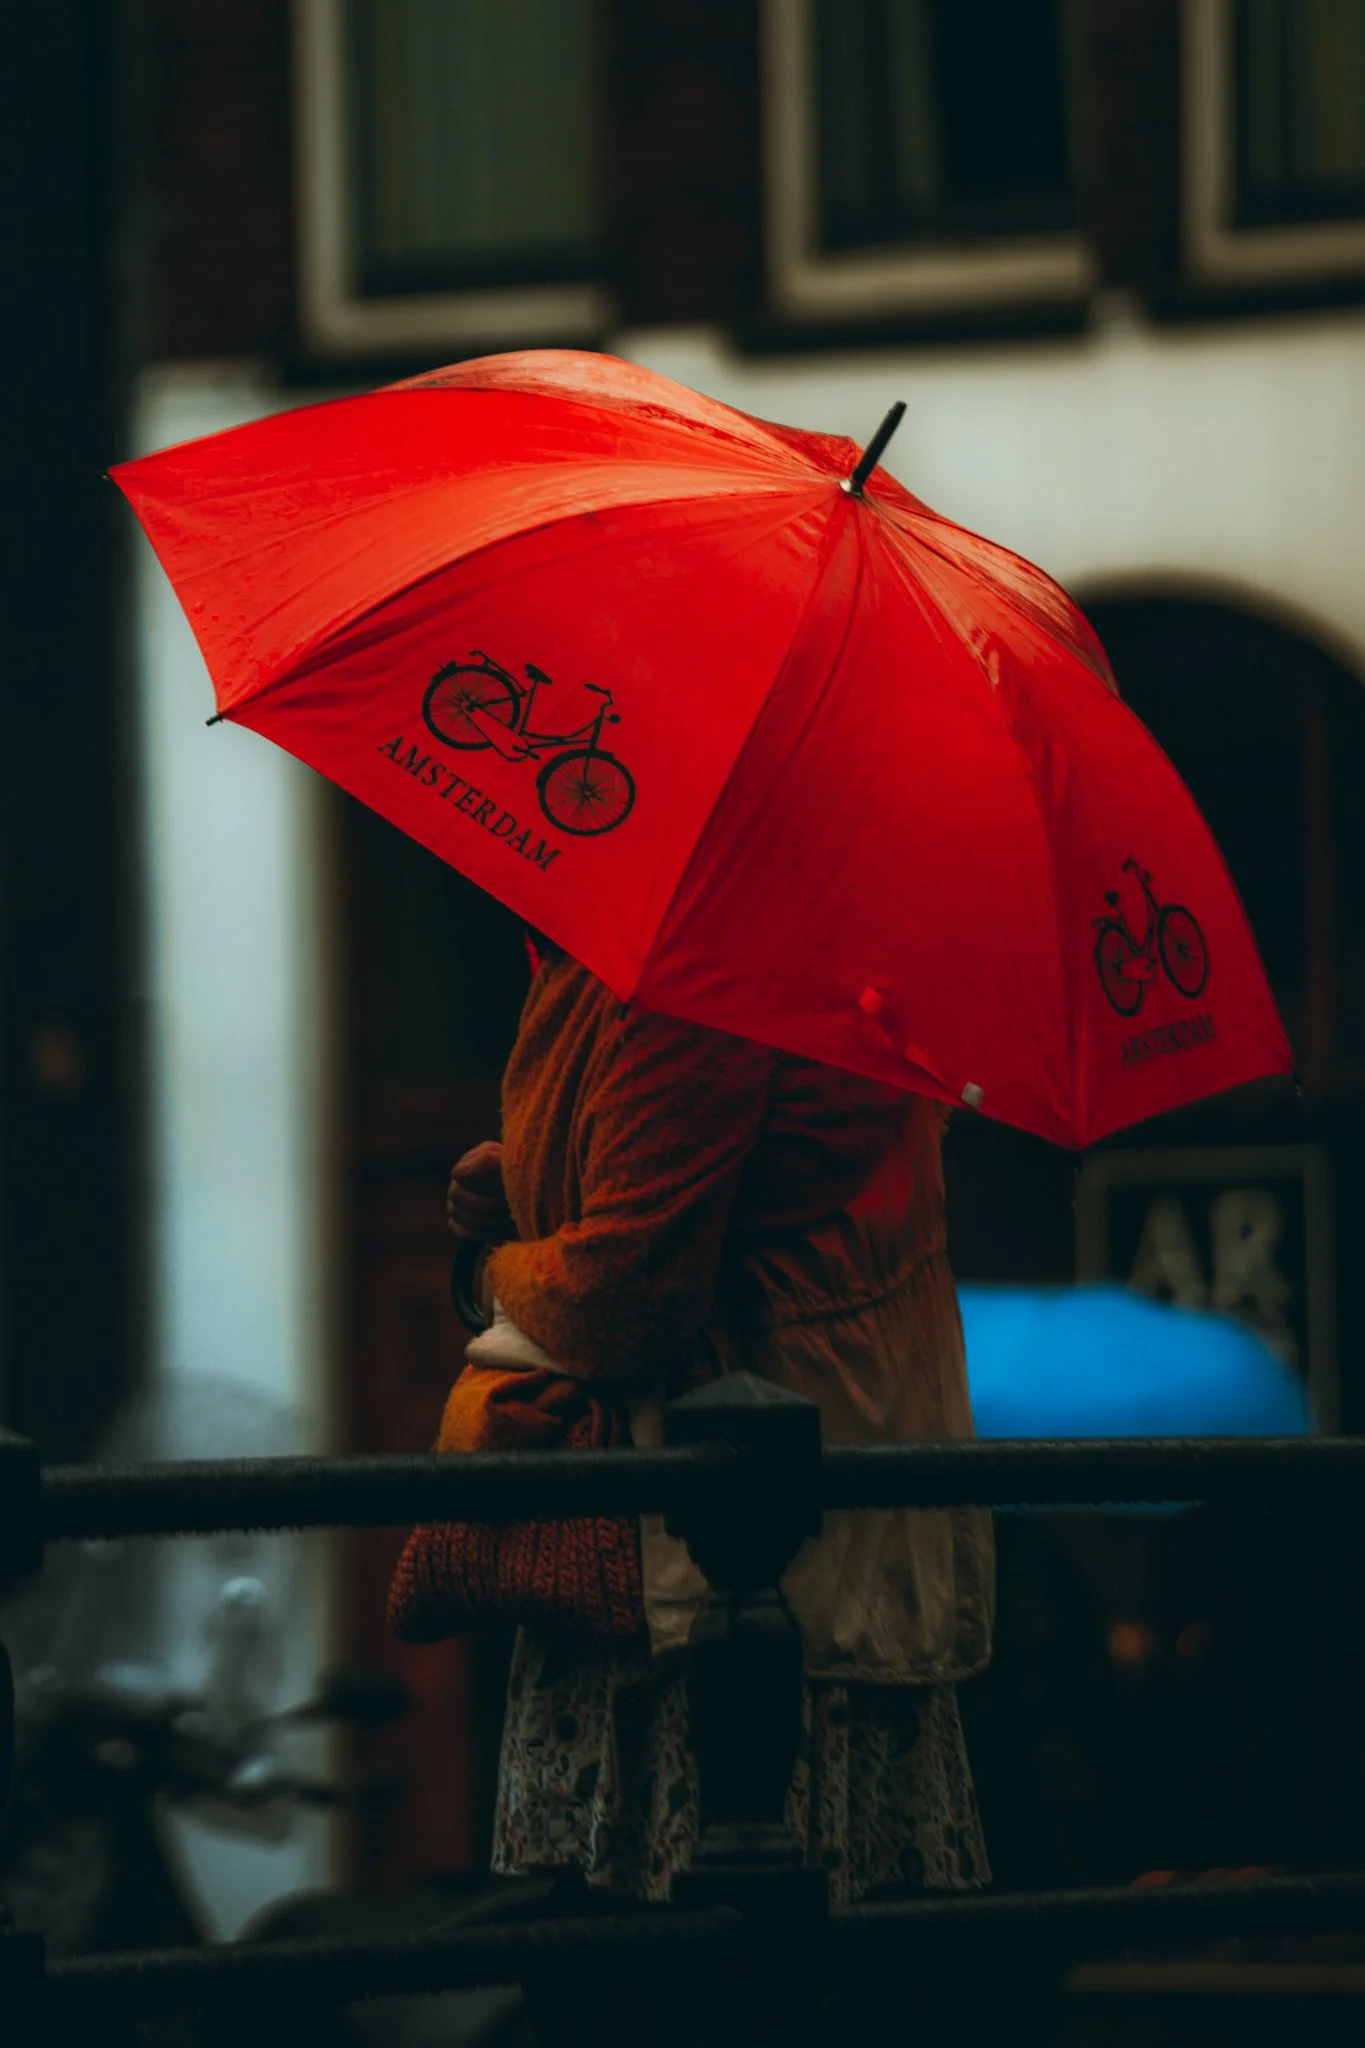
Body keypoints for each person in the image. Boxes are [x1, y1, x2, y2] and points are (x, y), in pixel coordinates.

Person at [394, 933, 996, 2044]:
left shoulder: (701, 972)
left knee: (657, 1970)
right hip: (845, 1526)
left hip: (705, 1568)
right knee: (824, 1971)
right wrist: (534, 1181)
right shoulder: (851, 949)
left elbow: (627, 1290)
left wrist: (494, 1260)